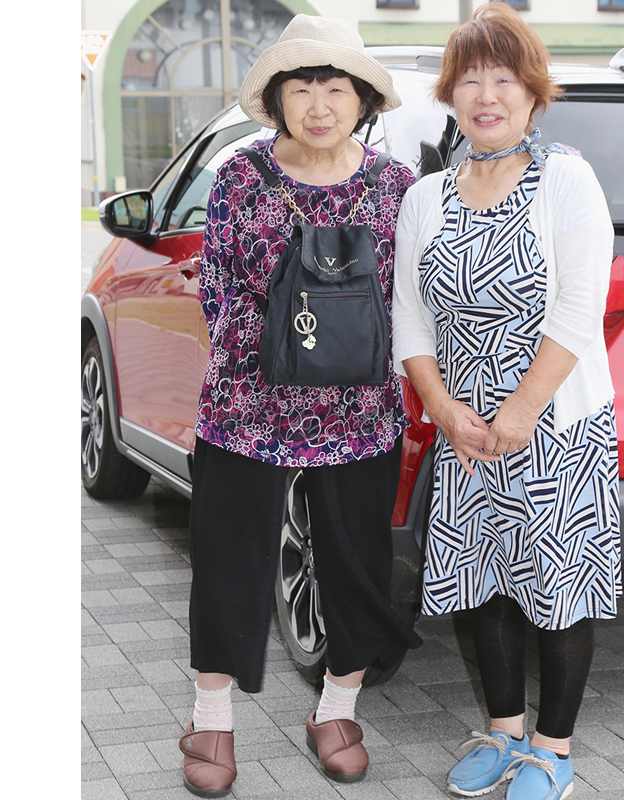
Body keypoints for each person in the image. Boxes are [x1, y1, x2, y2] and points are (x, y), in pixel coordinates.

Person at [179, 14, 423, 797]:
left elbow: (411, 301)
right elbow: (218, 290)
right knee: (228, 562)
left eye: (336, 87)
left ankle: (338, 709)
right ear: (279, 100)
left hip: (361, 418)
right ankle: (211, 720)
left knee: (353, 568)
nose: (320, 103)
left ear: (362, 100)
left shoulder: (396, 188)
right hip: (248, 409)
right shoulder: (242, 177)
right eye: (302, 87)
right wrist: (301, 348)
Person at [392, 5, 621, 800]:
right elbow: (409, 318)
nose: (486, 94)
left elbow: (580, 307)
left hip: (554, 422)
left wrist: (519, 411)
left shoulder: (566, 178)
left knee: (558, 590)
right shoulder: (426, 198)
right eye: (470, 80)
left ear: (532, 92)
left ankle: (551, 753)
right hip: (462, 427)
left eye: (504, 78)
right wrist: (446, 411)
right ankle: (501, 736)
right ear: (451, 95)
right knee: (479, 583)